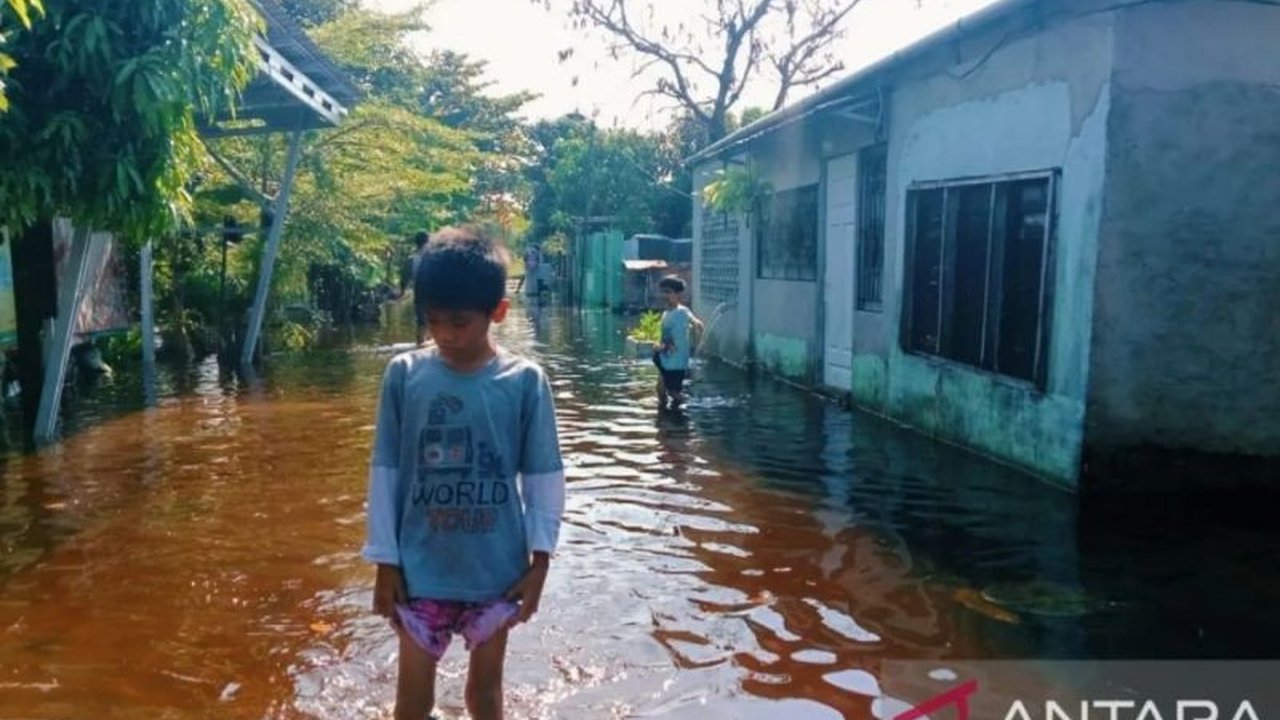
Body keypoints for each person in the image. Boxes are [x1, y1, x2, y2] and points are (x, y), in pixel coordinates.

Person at [363, 226, 566, 720]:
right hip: (418, 570)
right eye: (433, 321)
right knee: (411, 701)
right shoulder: (405, 376)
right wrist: (384, 562)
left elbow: (543, 477)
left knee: (487, 696)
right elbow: (385, 471)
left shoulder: (524, 382)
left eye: (459, 322)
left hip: (495, 572)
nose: (445, 335)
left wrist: (539, 565)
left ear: (497, 312)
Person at [652, 275, 704, 411]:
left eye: (668, 292)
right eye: (663, 292)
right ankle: (666, 418)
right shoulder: (667, 313)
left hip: (674, 361)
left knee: (673, 393)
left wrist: (697, 325)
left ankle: (692, 407)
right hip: (665, 359)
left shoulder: (680, 313)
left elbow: (674, 342)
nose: (664, 295)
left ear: (678, 294)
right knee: (661, 389)